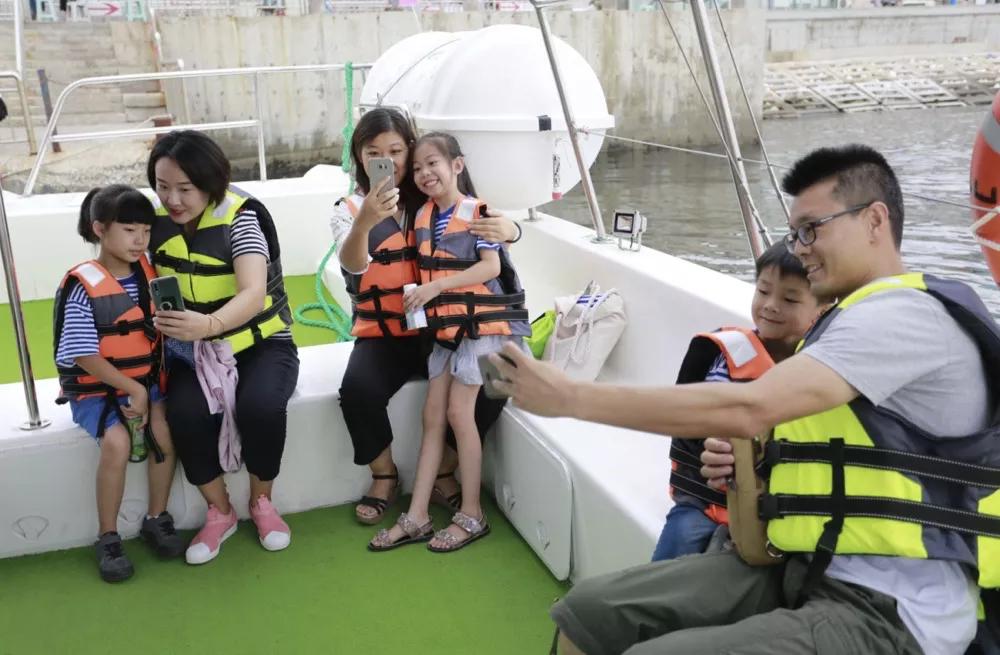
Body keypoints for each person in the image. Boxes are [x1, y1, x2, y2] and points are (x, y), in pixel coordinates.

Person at [492, 144, 999, 655]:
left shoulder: (906, 316)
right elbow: (836, 456)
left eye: (811, 229)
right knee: (588, 613)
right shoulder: (841, 324)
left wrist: (570, 397)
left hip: (893, 609)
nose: (799, 247)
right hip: (798, 568)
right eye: (793, 233)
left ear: (873, 220)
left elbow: (749, 406)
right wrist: (753, 466)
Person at [330, 108, 522, 525]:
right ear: (359, 157)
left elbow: (489, 231)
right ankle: (384, 475)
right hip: (385, 333)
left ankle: (445, 470)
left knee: (492, 390)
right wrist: (363, 222)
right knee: (357, 390)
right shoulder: (348, 208)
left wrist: (511, 229)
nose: (389, 160)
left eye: (397, 150)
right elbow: (353, 263)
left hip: (443, 328)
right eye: (374, 151)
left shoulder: (431, 196)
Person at [368, 132, 529, 552]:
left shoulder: (478, 212)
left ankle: (472, 514)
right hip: (444, 332)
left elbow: (489, 266)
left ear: (457, 165)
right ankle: (417, 515)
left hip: (481, 331)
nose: (423, 173)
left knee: (461, 415)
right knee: (432, 416)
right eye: (417, 167)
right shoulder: (421, 217)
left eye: (432, 163)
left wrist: (436, 291)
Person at [148, 130, 300, 565]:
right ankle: (220, 511)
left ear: (211, 183)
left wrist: (210, 324)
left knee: (261, 407)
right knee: (185, 414)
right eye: (162, 187)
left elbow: (253, 292)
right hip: (192, 352)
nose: (173, 199)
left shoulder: (241, 218)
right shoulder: (153, 224)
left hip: (262, 343)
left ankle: (262, 503)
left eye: (185, 188)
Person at [655, 242, 824, 562]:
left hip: (776, 507)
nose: (771, 306)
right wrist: (717, 445)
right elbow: (711, 416)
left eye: (789, 299)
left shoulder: (823, 366)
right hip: (706, 501)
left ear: (822, 308)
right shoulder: (733, 356)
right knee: (680, 539)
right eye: (763, 291)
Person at [54, 184, 184, 582]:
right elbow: (82, 353)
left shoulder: (151, 274)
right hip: (99, 390)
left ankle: (156, 518)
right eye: (128, 230)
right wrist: (132, 390)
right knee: (117, 441)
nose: (139, 240)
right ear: (99, 229)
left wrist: (144, 389)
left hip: (147, 383)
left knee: (163, 430)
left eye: (145, 230)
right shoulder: (83, 285)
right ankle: (108, 537)